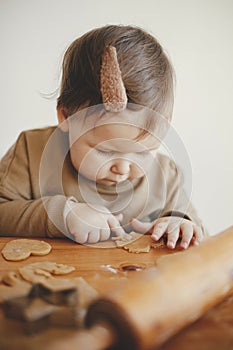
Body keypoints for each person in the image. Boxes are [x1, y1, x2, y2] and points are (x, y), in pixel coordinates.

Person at [0, 25, 205, 249]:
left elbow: (198, 232)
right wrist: (62, 215)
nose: (123, 168)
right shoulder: (31, 152)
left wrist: (180, 224)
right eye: (106, 151)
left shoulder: (165, 176)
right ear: (66, 116)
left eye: (142, 152)